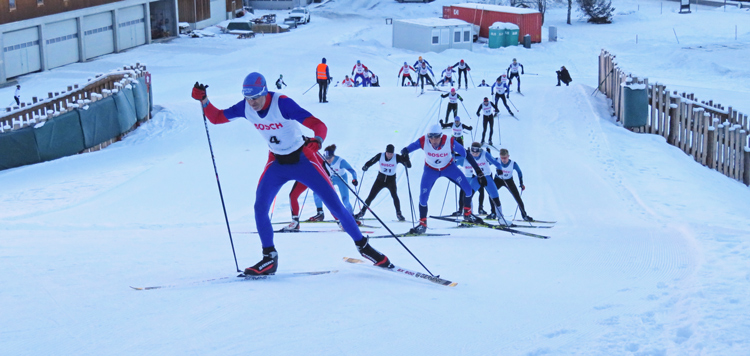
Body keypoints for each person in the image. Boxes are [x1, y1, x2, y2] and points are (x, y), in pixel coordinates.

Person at [190, 73, 394, 275]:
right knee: (260, 207)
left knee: (336, 207)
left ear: (265, 92)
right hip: (277, 163)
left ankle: (364, 247)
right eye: (248, 98)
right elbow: (216, 118)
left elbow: (318, 124)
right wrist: (204, 100)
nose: (252, 103)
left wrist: (318, 140)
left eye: (255, 98)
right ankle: (269, 258)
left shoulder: (282, 103)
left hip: (303, 159)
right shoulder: (245, 107)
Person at [400, 124, 485, 234]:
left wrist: (478, 171)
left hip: (449, 168)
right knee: (423, 198)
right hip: (431, 170)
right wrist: (405, 151)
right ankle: (422, 224)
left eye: (436, 137)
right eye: (431, 137)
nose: (433, 140)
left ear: (441, 135)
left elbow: (467, 154)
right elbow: (408, 148)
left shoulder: (449, 141)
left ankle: (467, 214)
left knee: (468, 190)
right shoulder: (423, 140)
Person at [456, 143, 509, 224]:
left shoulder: (484, 154)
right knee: (468, 194)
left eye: (476, 153)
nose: (475, 155)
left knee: (495, 196)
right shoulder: (469, 155)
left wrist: (499, 169)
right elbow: (457, 159)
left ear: (480, 151)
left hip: (487, 178)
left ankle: (501, 218)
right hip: (477, 178)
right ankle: (469, 216)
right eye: (473, 153)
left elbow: (496, 163)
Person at [355, 144, 410, 222]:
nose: (389, 155)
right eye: (388, 153)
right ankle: (362, 212)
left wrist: (406, 158)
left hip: (391, 181)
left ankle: (399, 214)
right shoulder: (380, 155)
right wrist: (366, 166)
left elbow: (408, 166)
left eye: (391, 154)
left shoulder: (397, 157)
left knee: (395, 196)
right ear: (385, 152)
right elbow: (371, 161)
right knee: (371, 196)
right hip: (380, 180)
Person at [309, 145, 358, 220]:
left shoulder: (340, 161)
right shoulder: (324, 161)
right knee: (316, 192)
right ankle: (320, 213)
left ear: (333, 156)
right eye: (326, 158)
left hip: (341, 179)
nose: (328, 160)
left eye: (329, 158)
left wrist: (354, 179)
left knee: (345, 200)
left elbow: (352, 170)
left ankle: (351, 216)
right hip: (331, 179)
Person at [492, 148, 533, 222]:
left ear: (508, 156)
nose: (503, 160)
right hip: (498, 180)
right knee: (491, 194)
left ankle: (524, 215)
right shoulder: (497, 160)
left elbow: (519, 172)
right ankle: (493, 213)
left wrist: (521, 183)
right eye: (502, 158)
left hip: (509, 181)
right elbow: (487, 162)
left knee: (517, 197)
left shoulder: (513, 163)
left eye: (505, 158)